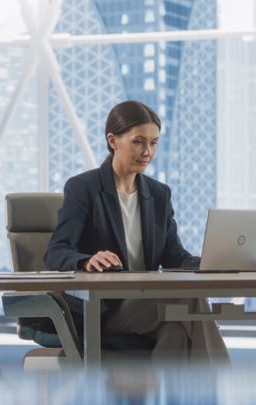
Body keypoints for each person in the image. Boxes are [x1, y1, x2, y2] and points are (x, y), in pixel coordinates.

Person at [44, 100, 229, 364]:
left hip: (148, 304)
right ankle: (219, 391)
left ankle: (168, 404)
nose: (147, 151)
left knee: (175, 332)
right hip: (104, 308)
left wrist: (214, 263)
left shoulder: (158, 194)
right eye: (139, 141)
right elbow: (56, 252)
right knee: (190, 298)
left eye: (154, 143)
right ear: (113, 140)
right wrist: (86, 260)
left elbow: (174, 257)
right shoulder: (83, 188)